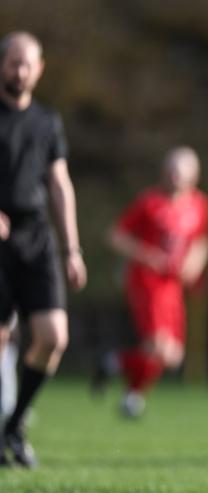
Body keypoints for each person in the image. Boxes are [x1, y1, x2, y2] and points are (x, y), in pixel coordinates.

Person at [0, 31, 87, 467]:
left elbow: (59, 184)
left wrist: (72, 248)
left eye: (27, 63)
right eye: (12, 62)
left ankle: (13, 427)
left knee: (53, 336)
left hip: (35, 238)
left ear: (40, 68)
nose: (20, 70)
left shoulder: (47, 121)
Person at [93, 147, 208, 418]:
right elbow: (115, 236)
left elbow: (201, 241)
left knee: (173, 356)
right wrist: (147, 256)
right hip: (146, 282)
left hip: (173, 285)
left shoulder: (200, 204)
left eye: (180, 171)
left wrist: (195, 264)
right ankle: (133, 396)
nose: (174, 176)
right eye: (170, 169)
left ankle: (116, 367)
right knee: (160, 347)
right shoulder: (149, 202)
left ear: (194, 175)